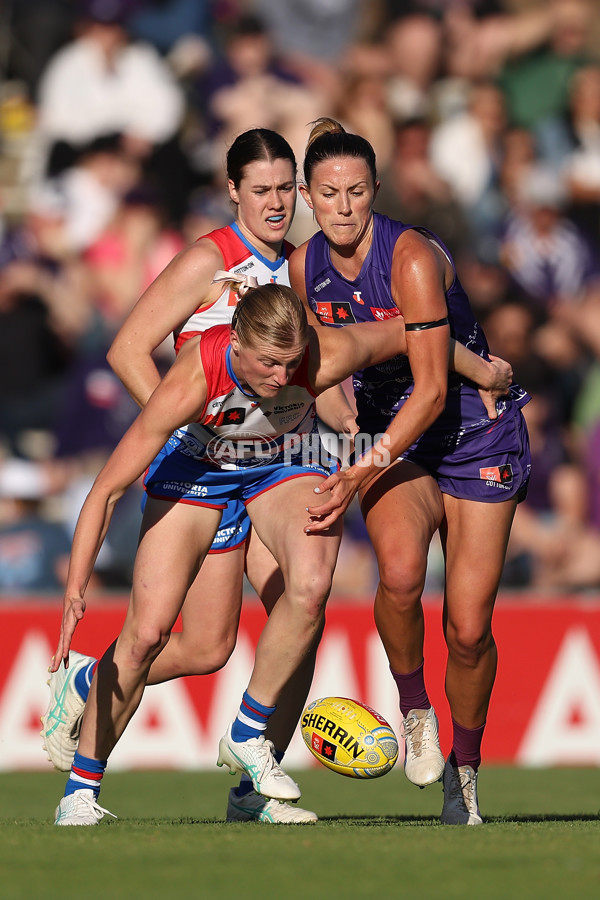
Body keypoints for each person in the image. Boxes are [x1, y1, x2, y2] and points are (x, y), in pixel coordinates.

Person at [42, 126, 512, 824]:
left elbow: (361, 346)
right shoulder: (210, 258)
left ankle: (252, 780)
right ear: (231, 190)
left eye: (285, 189)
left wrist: (377, 414)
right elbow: (128, 349)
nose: (274, 201)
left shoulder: (303, 266)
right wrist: (194, 427)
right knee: (199, 644)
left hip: (280, 459)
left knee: (307, 599)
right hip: (205, 459)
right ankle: (87, 713)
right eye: (259, 189)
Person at [50, 280, 412, 826]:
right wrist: (76, 587)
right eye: (267, 363)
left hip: (281, 467)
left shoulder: (322, 353)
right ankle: (79, 791)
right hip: (198, 473)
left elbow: (420, 331)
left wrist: (484, 373)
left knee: (309, 592)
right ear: (236, 342)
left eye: (290, 364)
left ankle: (248, 752)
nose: (280, 378)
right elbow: (105, 489)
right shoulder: (193, 379)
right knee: (171, 641)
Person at [289, 118, 531, 826]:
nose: (342, 206)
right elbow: (327, 367)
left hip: (474, 434)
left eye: (356, 192)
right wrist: (347, 428)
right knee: (397, 577)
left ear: (375, 192)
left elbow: (429, 389)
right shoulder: (307, 266)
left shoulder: (412, 258)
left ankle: (465, 771)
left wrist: (360, 470)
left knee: (467, 629)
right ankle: (414, 708)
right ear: (309, 194)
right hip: (399, 438)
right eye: (328, 193)